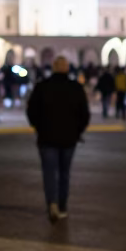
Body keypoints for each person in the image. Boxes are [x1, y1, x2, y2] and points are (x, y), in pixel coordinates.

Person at [27, 56, 91, 223]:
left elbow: (31, 111)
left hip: (47, 138)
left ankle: (52, 202)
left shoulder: (42, 87)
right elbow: (85, 114)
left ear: (53, 68)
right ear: (67, 69)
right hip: (69, 139)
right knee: (64, 173)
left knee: (49, 173)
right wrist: (77, 131)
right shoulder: (75, 88)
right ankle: (62, 207)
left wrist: (39, 128)